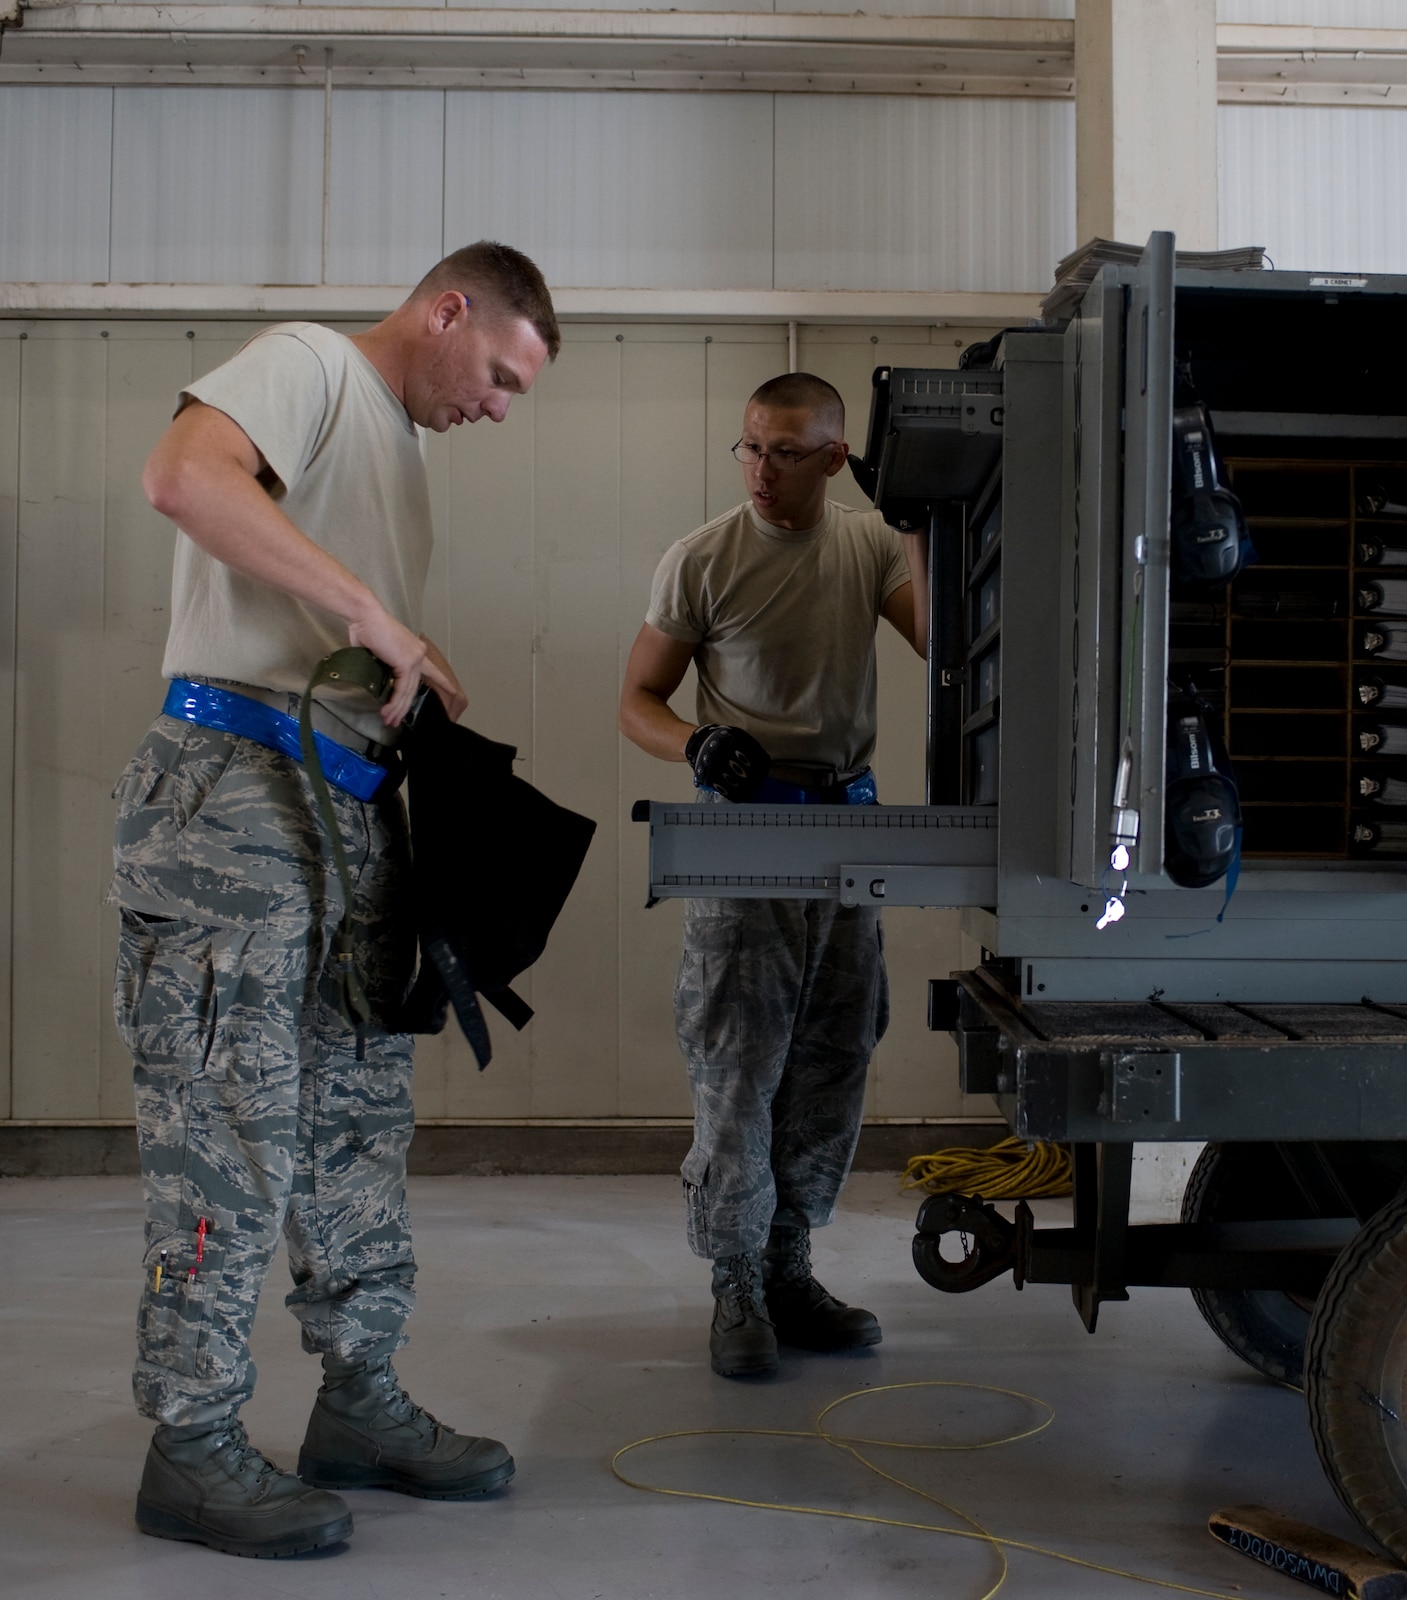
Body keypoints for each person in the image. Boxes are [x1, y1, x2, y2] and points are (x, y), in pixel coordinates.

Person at [114, 242, 559, 1557]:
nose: (496, 407)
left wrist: (401, 659)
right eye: (497, 375)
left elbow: (317, 606)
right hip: (229, 791)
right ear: (447, 308)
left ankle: (357, 1397)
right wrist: (373, 612)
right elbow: (182, 478)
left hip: (341, 797)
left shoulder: (395, 449)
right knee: (227, 1123)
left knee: (355, 1120)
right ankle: (192, 1442)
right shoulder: (310, 362)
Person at [618, 371, 928, 1377]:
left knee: (832, 1057)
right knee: (738, 1064)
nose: (760, 469)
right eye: (749, 447)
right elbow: (637, 698)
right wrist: (694, 745)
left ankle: (788, 1264)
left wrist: (919, 517)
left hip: (847, 825)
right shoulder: (702, 558)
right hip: (746, 828)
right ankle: (735, 1283)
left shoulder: (867, 547)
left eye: (785, 452)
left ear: (834, 458)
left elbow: (943, 639)